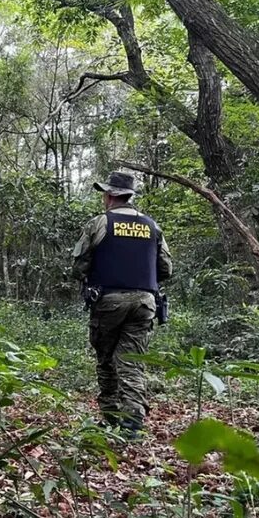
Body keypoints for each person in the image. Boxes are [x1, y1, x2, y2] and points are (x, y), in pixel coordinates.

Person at [71, 171, 172, 439]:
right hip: (145, 302)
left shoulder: (100, 223)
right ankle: (132, 425)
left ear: (111, 196)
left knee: (106, 360)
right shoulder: (153, 226)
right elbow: (166, 268)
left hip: (109, 301)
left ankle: (112, 416)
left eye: (104, 193)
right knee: (132, 361)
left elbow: (78, 265)